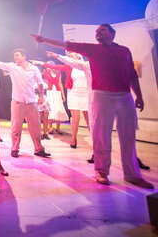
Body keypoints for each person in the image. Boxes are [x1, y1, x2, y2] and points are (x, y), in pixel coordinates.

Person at [32, 24, 152, 188]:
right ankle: (101, 171)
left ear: (112, 34)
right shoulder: (93, 49)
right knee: (101, 134)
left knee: (128, 135)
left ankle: (132, 174)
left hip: (124, 95)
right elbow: (67, 44)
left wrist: (139, 95)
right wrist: (44, 39)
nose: (98, 33)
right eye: (97, 31)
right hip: (102, 95)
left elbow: (132, 74)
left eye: (102, 30)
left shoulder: (124, 51)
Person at [0, 49, 51, 159]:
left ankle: (39, 149)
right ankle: (14, 148)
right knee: (16, 126)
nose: (15, 57)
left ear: (24, 56)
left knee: (36, 127)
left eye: (17, 55)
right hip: (17, 101)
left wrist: (42, 96)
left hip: (31, 101)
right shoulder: (12, 67)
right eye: (14, 55)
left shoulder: (34, 68)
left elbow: (40, 83)